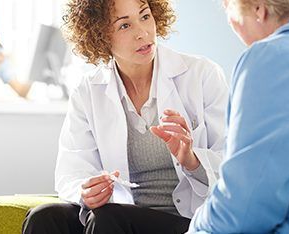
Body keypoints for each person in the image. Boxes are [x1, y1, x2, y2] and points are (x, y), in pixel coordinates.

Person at [22, 0, 228, 233]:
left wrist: (191, 159)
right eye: (124, 26)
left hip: (187, 221)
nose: (142, 32)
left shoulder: (202, 75)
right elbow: (72, 171)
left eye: (145, 16)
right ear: (99, 35)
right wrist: (86, 191)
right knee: (45, 217)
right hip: (117, 217)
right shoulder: (88, 91)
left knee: (108, 217)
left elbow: (233, 166)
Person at [189, 0, 289, 233]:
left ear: (259, 9)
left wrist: (196, 227)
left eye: (228, 9)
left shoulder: (273, 58)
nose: (230, 23)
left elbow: (244, 207)